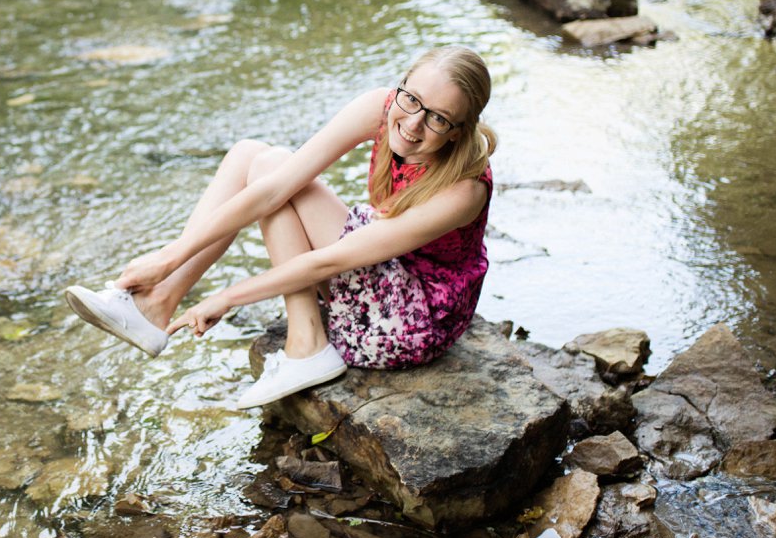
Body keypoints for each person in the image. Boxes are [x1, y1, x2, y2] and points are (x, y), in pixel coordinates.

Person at [64, 47, 497, 408]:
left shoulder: (464, 190)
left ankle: (307, 344)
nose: (414, 122)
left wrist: (225, 297)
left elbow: (328, 261)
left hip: (412, 317)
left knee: (271, 166)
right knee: (252, 154)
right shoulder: (384, 108)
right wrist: (169, 257)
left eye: (439, 118)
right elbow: (276, 188)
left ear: (459, 131)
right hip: (385, 259)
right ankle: (157, 302)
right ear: (401, 86)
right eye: (411, 99)